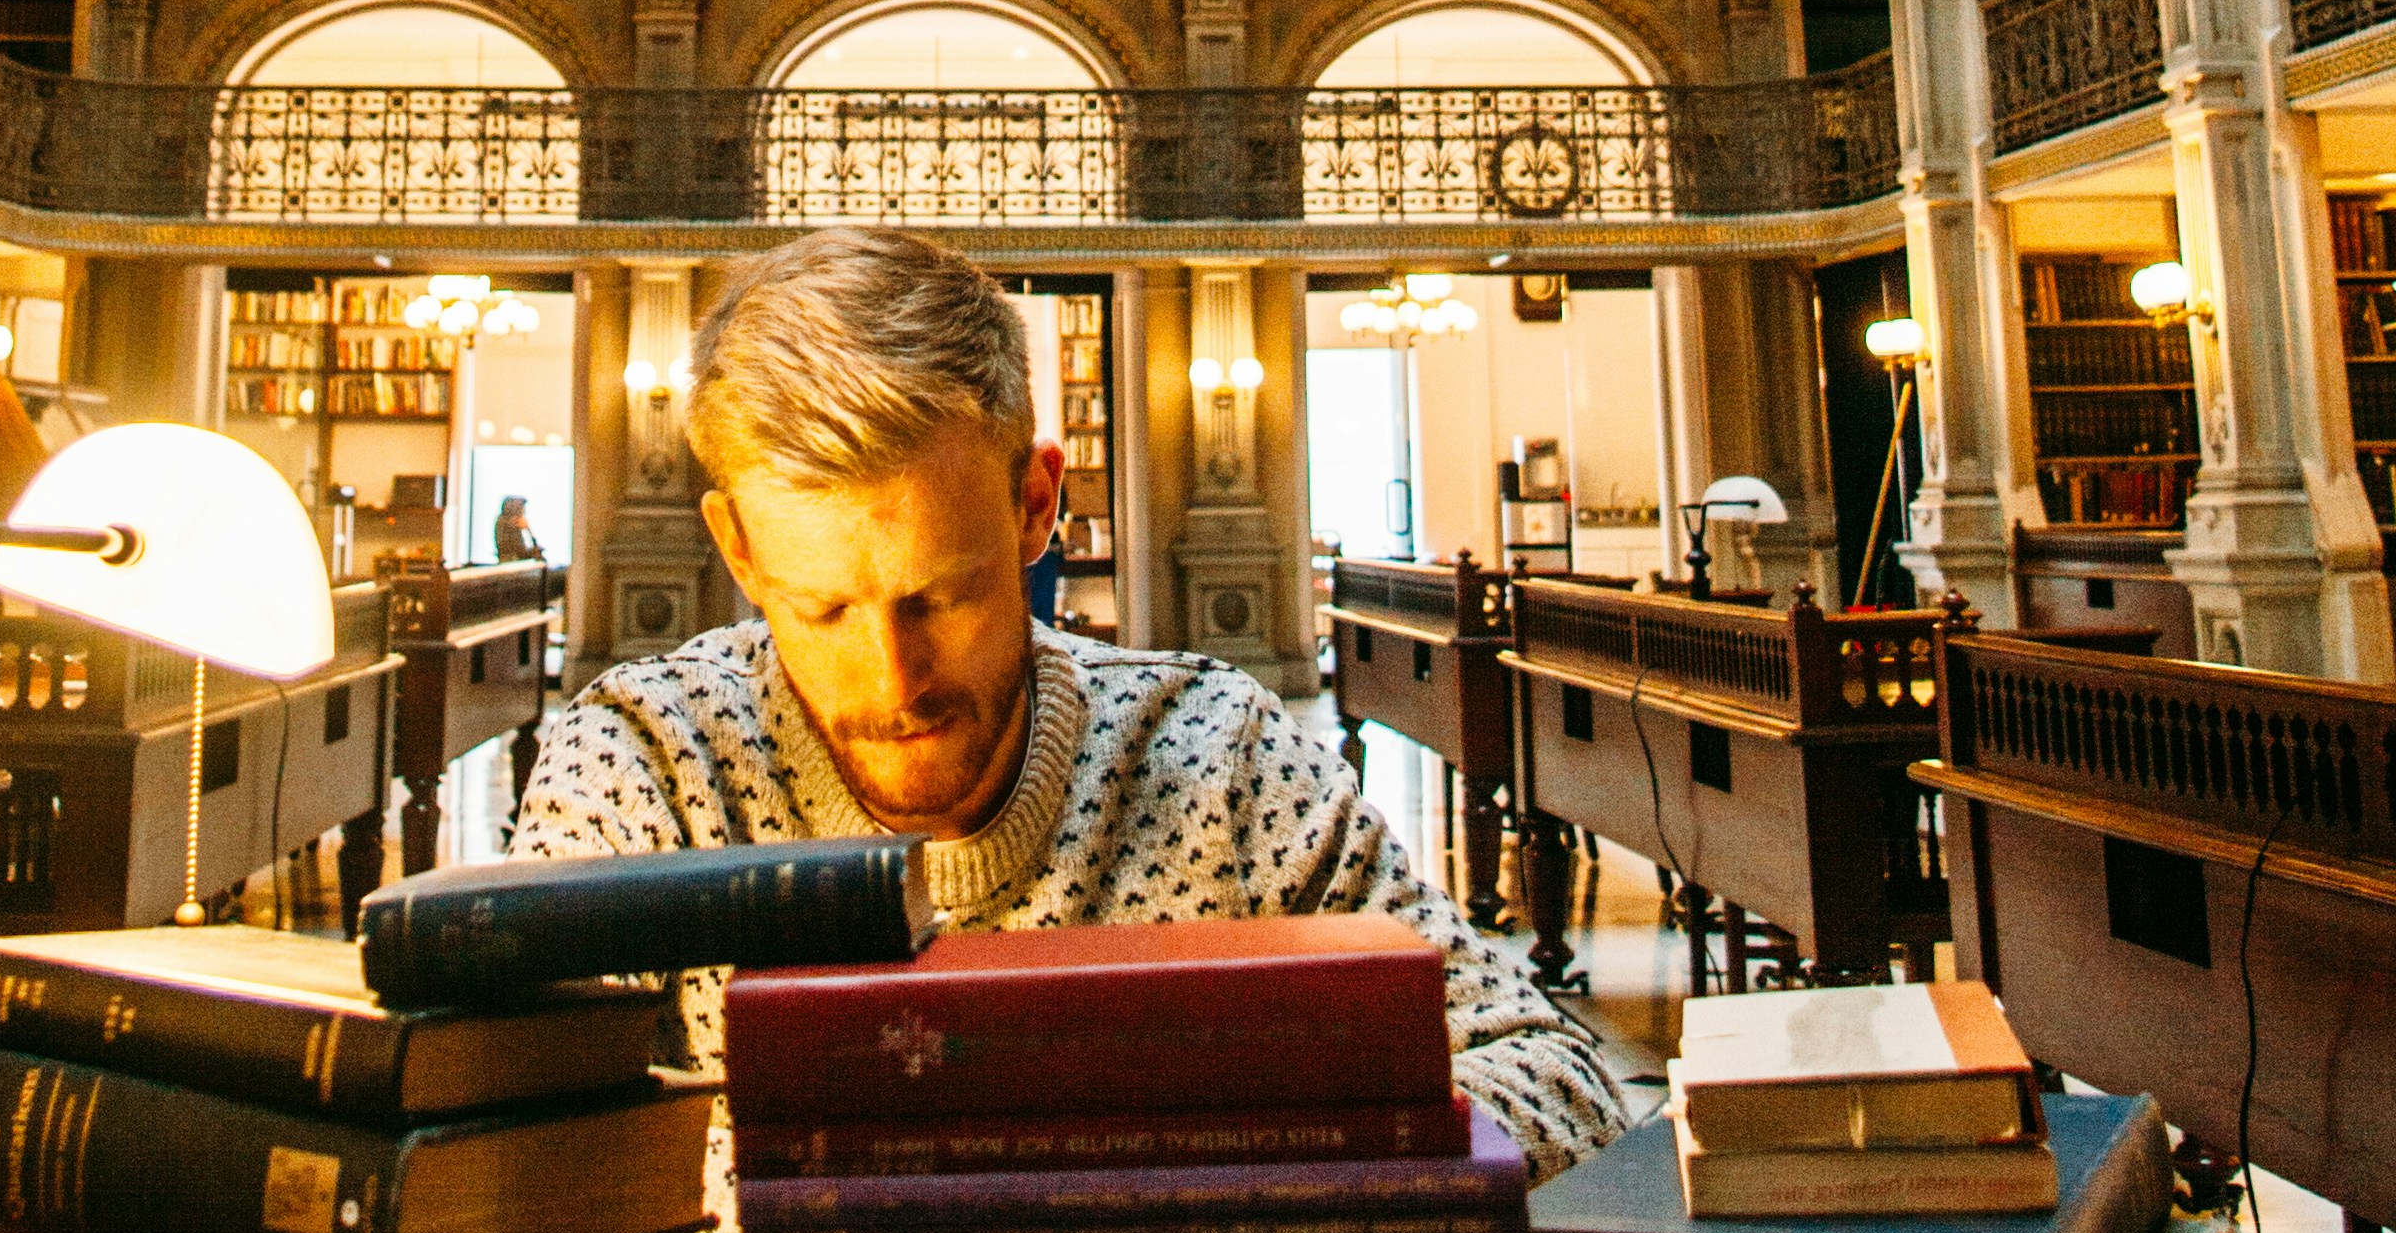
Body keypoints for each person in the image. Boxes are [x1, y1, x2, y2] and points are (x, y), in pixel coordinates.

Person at [500, 226, 1638, 1184]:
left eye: (942, 597)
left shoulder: (1215, 755)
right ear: (740, 550)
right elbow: (512, 1158)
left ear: (1039, 505)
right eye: (827, 611)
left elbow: (1550, 1079)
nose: (897, 684)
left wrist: (1212, 1187)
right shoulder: (645, 761)